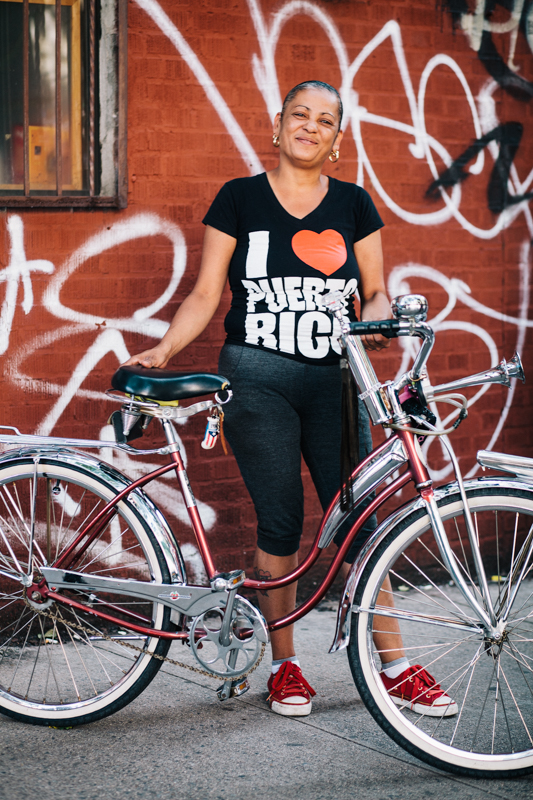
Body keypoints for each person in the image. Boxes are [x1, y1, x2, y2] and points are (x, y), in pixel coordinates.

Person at [125, 81, 457, 719]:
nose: (311, 125)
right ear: (277, 128)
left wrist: (380, 324)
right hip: (257, 377)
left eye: (325, 120)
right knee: (280, 521)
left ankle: (395, 665)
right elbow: (205, 295)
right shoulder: (239, 199)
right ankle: (286, 666)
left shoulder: (355, 204)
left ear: (337, 140)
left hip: (337, 382)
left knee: (361, 524)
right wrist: (165, 349)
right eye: (299, 115)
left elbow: (377, 290)